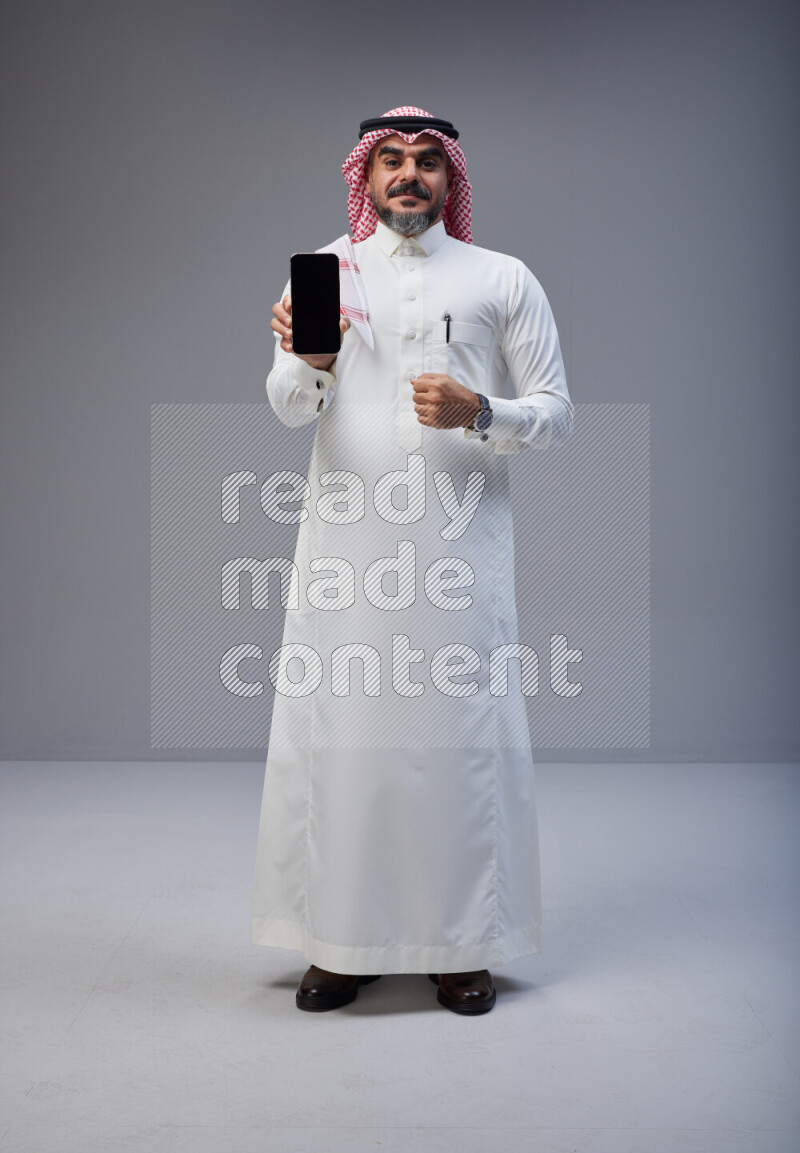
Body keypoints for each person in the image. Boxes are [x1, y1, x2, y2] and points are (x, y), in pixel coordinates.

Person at [251, 106, 573, 1015]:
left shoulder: (502, 277)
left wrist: (482, 411)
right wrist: (309, 356)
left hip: (458, 558)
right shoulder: (325, 269)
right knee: (347, 749)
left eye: (427, 162)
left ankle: (459, 946)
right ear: (367, 172)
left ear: (450, 176)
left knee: (457, 744)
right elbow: (286, 406)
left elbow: (557, 413)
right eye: (390, 160)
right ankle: (339, 945)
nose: (407, 176)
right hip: (348, 559)